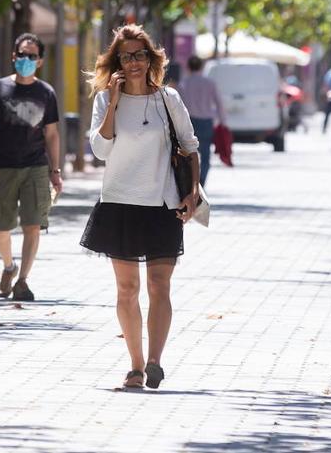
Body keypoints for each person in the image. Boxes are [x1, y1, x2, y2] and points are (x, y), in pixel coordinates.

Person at [79, 25, 199, 390]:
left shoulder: (168, 99)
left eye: (140, 55)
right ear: (116, 63)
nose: (134, 63)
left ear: (151, 59)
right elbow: (100, 151)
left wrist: (191, 193)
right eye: (126, 56)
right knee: (127, 290)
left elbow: (190, 146)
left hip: (161, 204)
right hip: (119, 203)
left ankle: (154, 362)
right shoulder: (104, 101)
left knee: (159, 285)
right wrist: (114, 102)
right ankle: (134, 365)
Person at [0, 33, 63, 302]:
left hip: (35, 166)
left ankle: (22, 281)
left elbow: (52, 135)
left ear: (40, 61)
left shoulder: (46, 93)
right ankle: (9, 266)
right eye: (21, 55)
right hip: (1, 165)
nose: (26, 60)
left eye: (31, 56)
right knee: (1, 226)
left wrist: (55, 171)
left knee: (32, 225)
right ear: (14, 56)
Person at [177, 55, 226, 187]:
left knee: (187, 154)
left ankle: (190, 182)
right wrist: (223, 122)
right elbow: (219, 103)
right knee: (205, 155)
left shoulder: (183, 84)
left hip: (189, 121)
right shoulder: (209, 83)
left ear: (188, 67)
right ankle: (201, 182)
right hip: (206, 121)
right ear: (201, 66)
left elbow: (179, 106)